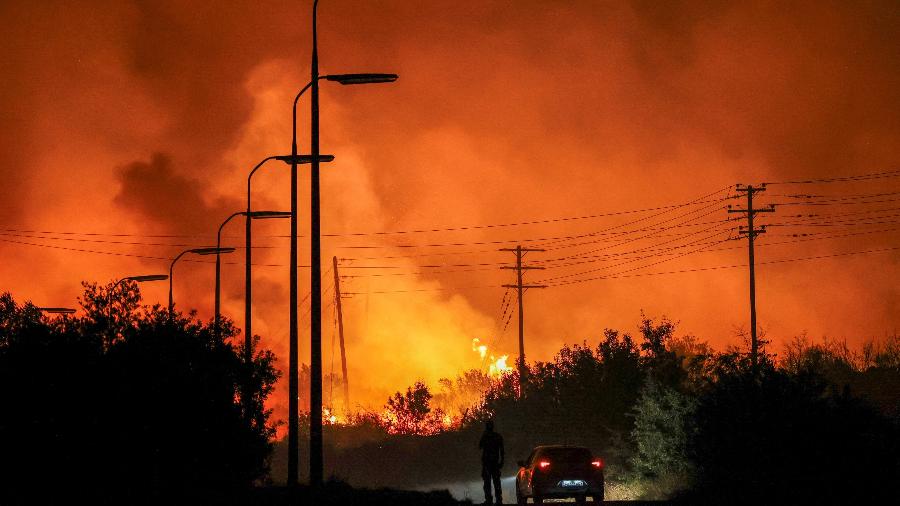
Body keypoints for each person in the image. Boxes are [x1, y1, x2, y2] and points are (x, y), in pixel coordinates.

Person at [479, 419, 504, 505]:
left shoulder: (486, 436)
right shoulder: (498, 436)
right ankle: (498, 500)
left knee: (488, 482)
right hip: (494, 463)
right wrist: (502, 461)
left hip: (488, 463)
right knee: (496, 482)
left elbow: (480, 446)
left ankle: (489, 500)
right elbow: (502, 451)